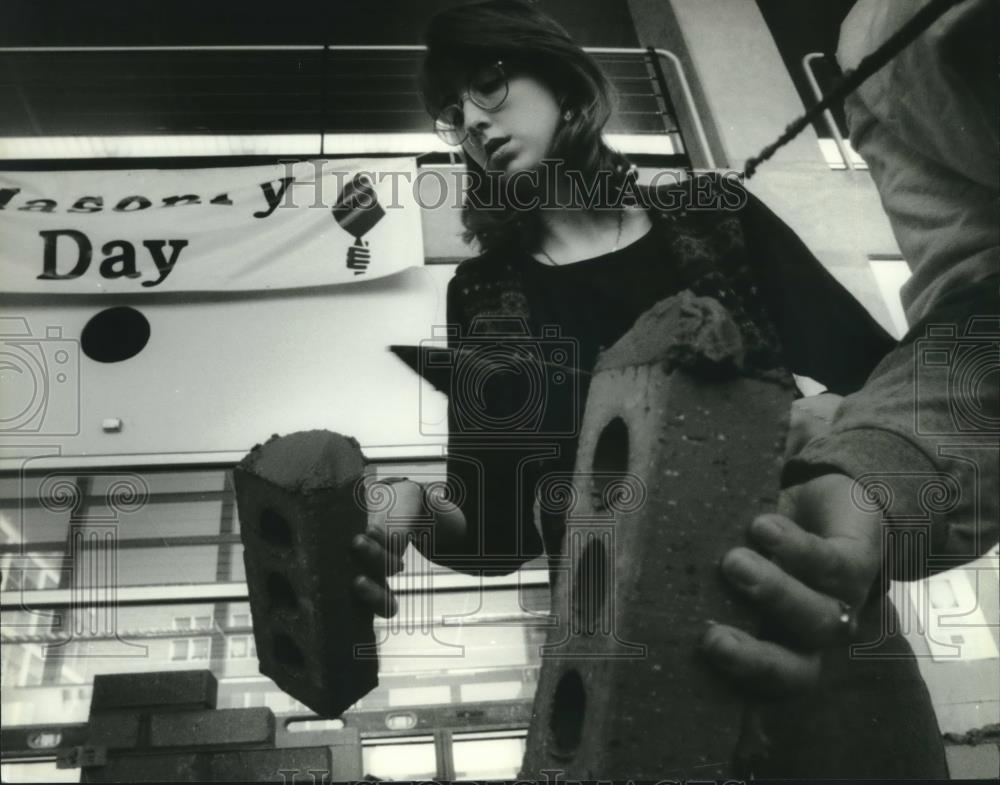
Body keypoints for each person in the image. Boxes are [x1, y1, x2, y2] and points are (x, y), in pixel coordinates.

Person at [349, 0, 949, 777]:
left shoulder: (717, 214)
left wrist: (820, 423)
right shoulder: (485, 292)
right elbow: (497, 530)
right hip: (628, 668)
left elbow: (881, 380)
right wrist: (412, 504)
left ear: (560, 75)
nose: (472, 122)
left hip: (807, 622)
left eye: (489, 83)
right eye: (452, 115)